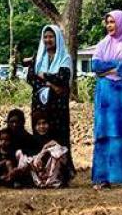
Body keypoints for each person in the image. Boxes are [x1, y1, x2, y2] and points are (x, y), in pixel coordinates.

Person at [90, 10, 122, 189]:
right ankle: (102, 178)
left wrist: (107, 69)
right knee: (104, 133)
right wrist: (116, 66)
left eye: (113, 22)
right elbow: (95, 66)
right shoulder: (102, 44)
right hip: (105, 99)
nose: (110, 26)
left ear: (121, 23)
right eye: (108, 23)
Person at [24, 25, 74, 184]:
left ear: (57, 38)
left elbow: (63, 77)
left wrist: (44, 76)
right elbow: (31, 77)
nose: (48, 40)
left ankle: (60, 174)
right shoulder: (38, 57)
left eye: (51, 37)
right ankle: (39, 173)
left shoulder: (64, 58)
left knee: (58, 137)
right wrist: (51, 83)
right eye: (45, 37)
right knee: (40, 136)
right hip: (40, 105)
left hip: (58, 107)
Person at [9, 111, 70, 189]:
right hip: (37, 172)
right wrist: (37, 157)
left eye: (44, 123)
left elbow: (59, 151)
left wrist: (43, 151)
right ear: (34, 126)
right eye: (38, 124)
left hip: (52, 172)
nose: (42, 126)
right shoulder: (32, 140)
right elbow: (28, 153)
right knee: (21, 153)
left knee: (57, 150)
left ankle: (51, 181)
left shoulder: (55, 138)